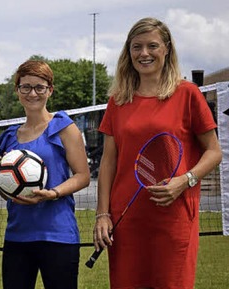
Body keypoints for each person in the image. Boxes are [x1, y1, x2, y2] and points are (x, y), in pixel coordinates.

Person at [92, 17, 222, 289]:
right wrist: (102, 214)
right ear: (128, 52)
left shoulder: (187, 93)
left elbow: (213, 151)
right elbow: (108, 162)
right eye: (136, 47)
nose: (144, 53)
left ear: (167, 49)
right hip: (125, 219)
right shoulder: (118, 99)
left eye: (152, 46)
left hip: (174, 216)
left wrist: (184, 180)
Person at [0, 60, 90, 289]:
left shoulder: (64, 127)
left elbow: (83, 175)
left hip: (58, 235)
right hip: (17, 235)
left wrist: (54, 193)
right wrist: (6, 189)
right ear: (17, 90)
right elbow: (4, 184)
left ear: (50, 90)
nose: (32, 93)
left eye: (39, 87)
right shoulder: (10, 136)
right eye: (25, 87)